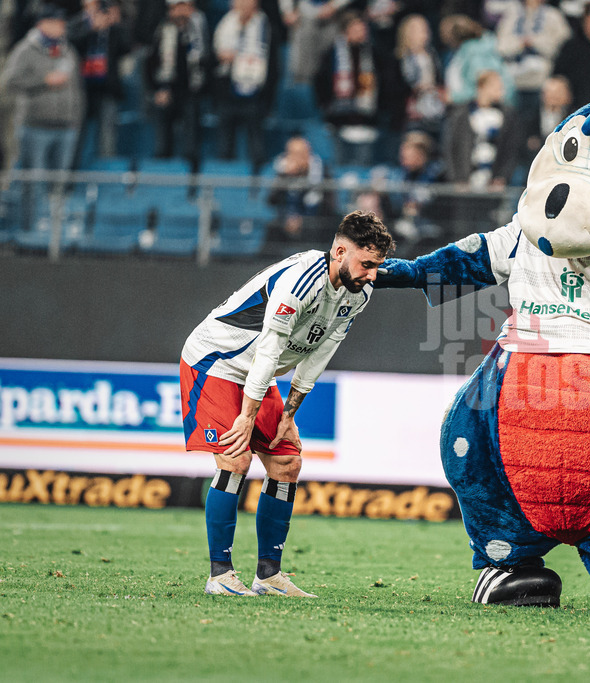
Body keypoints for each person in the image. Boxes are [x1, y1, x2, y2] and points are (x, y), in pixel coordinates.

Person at [180, 211, 394, 596]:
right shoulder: (300, 280)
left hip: (257, 373)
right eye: (367, 264)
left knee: (287, 461)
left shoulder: (359, 293)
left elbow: (322, 350)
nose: (373, 275)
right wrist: (247, 416)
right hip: (217, 361)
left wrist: (290, 413)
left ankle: (268, 576)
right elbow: (269, 349)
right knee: (236, 457)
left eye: (377, 266)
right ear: (340, 250)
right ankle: (220, 575)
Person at [0, 4, 84, 231]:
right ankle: (29, 230)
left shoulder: (68, 50)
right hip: (34, 126)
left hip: (65, 127)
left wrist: (75, 118)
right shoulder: (25, 50)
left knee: (59, 184)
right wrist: (43, 81)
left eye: (62, 23)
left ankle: (54, 233)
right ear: (43, 23)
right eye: (56, 22)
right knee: (32, 183)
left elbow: (76, 89)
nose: (61, 27)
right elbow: (9, 82)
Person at [212, 0, 279, 170]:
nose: (242, 4)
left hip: (256, 92)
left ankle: (256, 184)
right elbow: (211, 57)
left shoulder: (266, 26)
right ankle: (225, 180)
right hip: (227, 92)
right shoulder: (226, 24)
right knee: (225, 145)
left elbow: (273, 65)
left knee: (256, 145)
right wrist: (222, 57)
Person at [145, 0, 210, 165]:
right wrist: (157, 89)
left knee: (191, 142)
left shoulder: (198, 31)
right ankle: (163, 172)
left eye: (184, 8)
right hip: (166, 90)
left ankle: (190, 175)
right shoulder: (161, 30)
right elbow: (150, 63)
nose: (180, 12)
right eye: (176, 8)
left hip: (190, 91)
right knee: (163, 142)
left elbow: (205, 61)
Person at [313, 10, 380, 167]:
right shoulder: (332, 55)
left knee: (362, 170)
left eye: (363, 28)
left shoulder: (373, 55)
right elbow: (319, 82)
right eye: (356, 28)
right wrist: (326, 106)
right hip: (338, 120)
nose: (361, 32)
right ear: (345, 31)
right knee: (339, 170)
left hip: (365, 120)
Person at [68, 0, 128, 161]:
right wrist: (91, 30)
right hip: (81, 88)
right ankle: (72, 173)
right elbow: (70, 45)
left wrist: (116, 23)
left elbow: (127, 48)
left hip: (107, 88)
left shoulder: (112, 26)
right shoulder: (76, 23)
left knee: (107, 133)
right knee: (77, 133)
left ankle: (106, 174)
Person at [495, 0, 571, 114]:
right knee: (513, 117)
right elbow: (500, 45)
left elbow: (564, 45)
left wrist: (536, 43)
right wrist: (519, 44)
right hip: (513, 80)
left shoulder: (553, 15)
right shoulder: (511, 14)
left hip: (542, 79)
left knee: (538, 119)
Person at [265, 135, 332, 254]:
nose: (296, 158)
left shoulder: (321, 170)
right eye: (292, 154)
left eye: (300, 154)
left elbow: (328, 203)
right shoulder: (282, 171)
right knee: (272, 227)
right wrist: (284, 177)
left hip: (314, 218)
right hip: (287, 218)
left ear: (308, 154)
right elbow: (271, 200)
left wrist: (302, 219)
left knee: (317, 227)